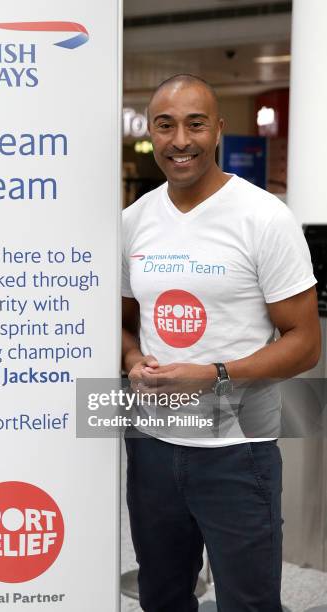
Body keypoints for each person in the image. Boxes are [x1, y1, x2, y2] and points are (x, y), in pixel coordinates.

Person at [121, 74, 320, 612]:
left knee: (249, 603)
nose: (179, 139)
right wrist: (135, 357)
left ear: (218, 130)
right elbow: (120, 321)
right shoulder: (134, 221)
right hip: (153, 449)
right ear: (151, 133)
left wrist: (214, 374)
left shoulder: (264, 217)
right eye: (165, 125)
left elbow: (305, 343)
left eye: (194, 124)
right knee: (162, 598)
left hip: (238, 450)